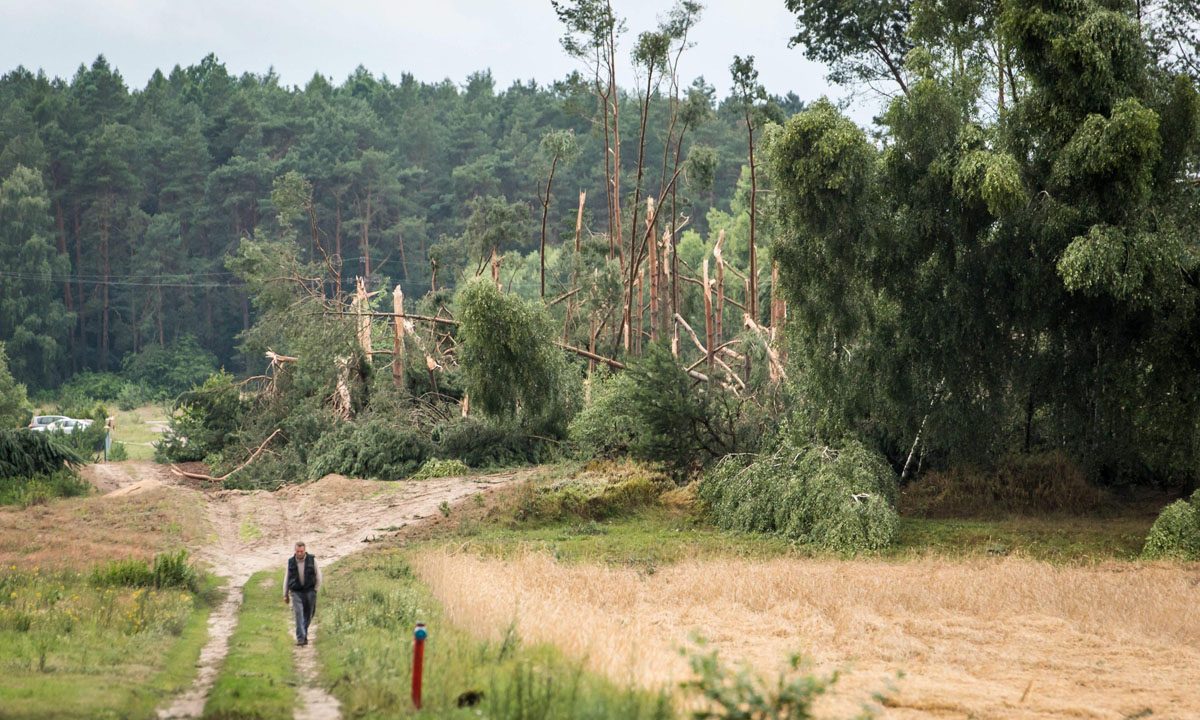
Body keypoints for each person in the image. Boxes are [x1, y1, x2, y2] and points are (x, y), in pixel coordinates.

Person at [283, 541, 321, 646]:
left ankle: (304, 633)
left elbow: (318, 576)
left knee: (310, 613)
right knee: (298, 613)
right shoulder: (291, 562)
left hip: (310, 590)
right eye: (297, 551)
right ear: (295, 551)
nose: (299, 553)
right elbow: (287, 578)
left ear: (305, 551)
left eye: (301, 551)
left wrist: (315, 590)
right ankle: (301, 638)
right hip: (296, 592)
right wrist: (285, 594)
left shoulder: (312, 560)